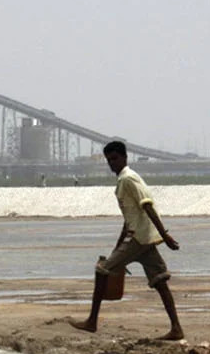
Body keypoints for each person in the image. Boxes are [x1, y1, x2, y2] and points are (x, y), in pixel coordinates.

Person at [69, 140, 184, 340]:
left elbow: (147, 206)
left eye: (115, 159)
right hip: (145, 240)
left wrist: (165, 235)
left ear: (124, 157)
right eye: (109, 160)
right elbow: (130, 217)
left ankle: (92, 322)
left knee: (102, 270)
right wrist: (118, 246)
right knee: (160, 281)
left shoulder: (128, 179)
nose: (112, 163)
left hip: (138, 239)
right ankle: (176, 329)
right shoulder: (127, 179)